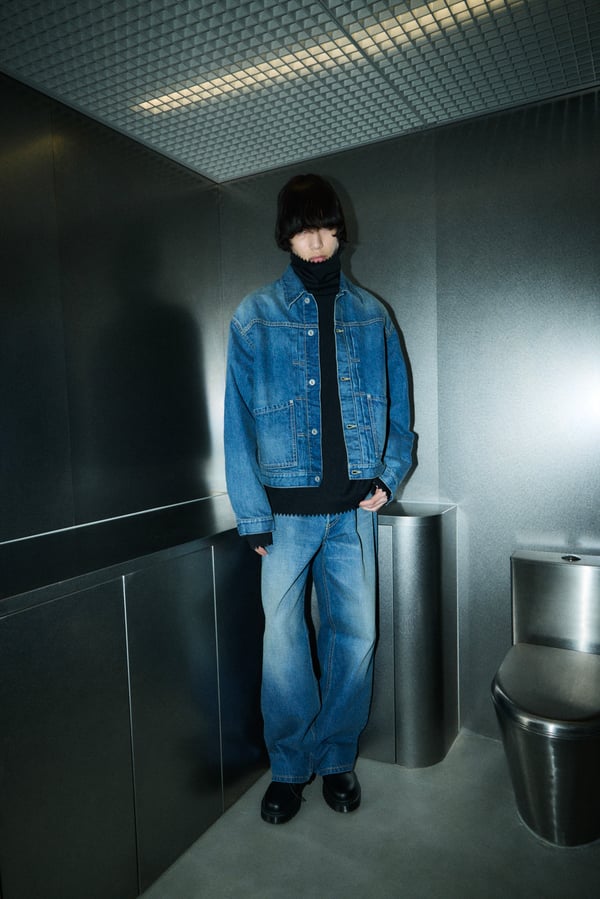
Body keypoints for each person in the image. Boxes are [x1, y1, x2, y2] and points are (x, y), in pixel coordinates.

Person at [224, 173, 414, 824]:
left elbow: (401, 411)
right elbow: (237, 423)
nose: (316, 241)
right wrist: (252, 511)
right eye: (304, 229)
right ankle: (289, 767)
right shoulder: (254, 316)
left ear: (339, 231)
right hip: (284, 517)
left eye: (326, 228)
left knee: (354, 637)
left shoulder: (373, 315)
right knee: (283, 645)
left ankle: (336, 759)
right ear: (286, 235)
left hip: (354, 514)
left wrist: (388, 475)